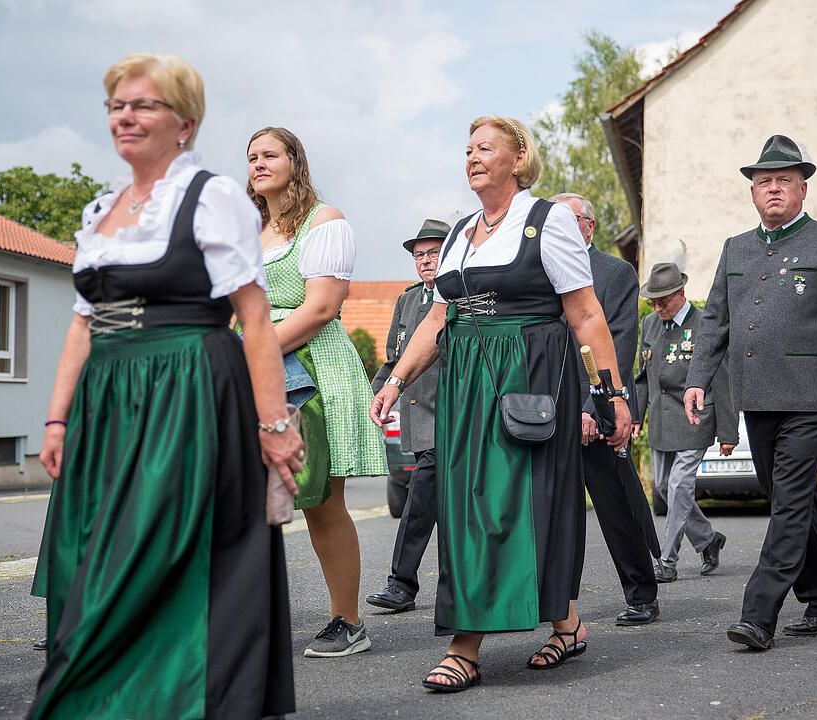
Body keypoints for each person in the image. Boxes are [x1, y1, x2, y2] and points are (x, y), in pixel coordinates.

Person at [29, 54, 300, 718]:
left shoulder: (212, 196)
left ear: (185, 122)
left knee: (154, 558)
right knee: (92, 561)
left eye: (144, 104)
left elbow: (256, 318)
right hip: (108, 403)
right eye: (117, 105)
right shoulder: (100, 209)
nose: (126, 115)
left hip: (186, 394)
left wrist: (274, 426)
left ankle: (172, 699)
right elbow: (82, 323)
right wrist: (57, 419)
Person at [370, 116, 632, 692]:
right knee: (469, 503)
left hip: (528, 375)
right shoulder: (463, 230)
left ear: (518, 157)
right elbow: (439, 317)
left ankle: (465, 646)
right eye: (467, 149)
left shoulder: (549, 221)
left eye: (485, 148)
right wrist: (395, 379)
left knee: (509, 503)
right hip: (465, 384)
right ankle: (567, 624)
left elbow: (585, 313)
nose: (472, 157)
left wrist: (611, 392)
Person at [685, 134, 817, 650]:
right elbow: (715, 323)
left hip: (810, 396)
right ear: (753, 192)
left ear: (802, 189)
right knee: (786, 502)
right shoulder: (737, 248)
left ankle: (758, 614)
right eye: (763, 182)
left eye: (784, 181)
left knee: (789, 506)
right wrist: (697, 380)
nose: (773, 190)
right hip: (758, 397)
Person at [246, 126, 388, 657]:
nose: (258, 164)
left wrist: (248, 353)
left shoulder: (325, 222)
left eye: (270, 155)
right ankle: (245, 615)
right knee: (242, 497)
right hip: (255, 367)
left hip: (310, 369)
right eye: (251, 157)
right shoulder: (250, 231)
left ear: (294, 162)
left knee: (320, 502)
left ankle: (347, 622)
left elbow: (321, 308)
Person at [552, 192, 661, 626]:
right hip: (549, 413)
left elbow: (614, 344)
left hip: (598, 408)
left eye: (567, 221)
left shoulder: (615, 273)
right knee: (557, 514)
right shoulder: (543, 272)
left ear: (588, 226)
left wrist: (589, 408)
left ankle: (642, 594)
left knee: (616, 506)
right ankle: (559, 603)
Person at [634, 262, 736, 583]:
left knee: (679, 485)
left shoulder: (705, 324)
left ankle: (666, 560)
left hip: (696, 417)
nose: (657, 306)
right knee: (664, 488)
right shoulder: (649, 325)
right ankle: (707, 539)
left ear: (681, 293)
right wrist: (637, 417)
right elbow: (641, 378)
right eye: (653, 300)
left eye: (663, 299)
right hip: (662, 421)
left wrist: (728, 432)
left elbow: (722, 380)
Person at [366, 219, 449, 613]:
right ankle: (456, 589)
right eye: (420, 255)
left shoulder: (461, 298)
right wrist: (375, 395)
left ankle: (401, 584)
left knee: (419, 501)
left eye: (434, 252)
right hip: (417, 421)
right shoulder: (408, 300)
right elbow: (395, 359)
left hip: (450, 418)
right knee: (440, 506)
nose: (427, 261)